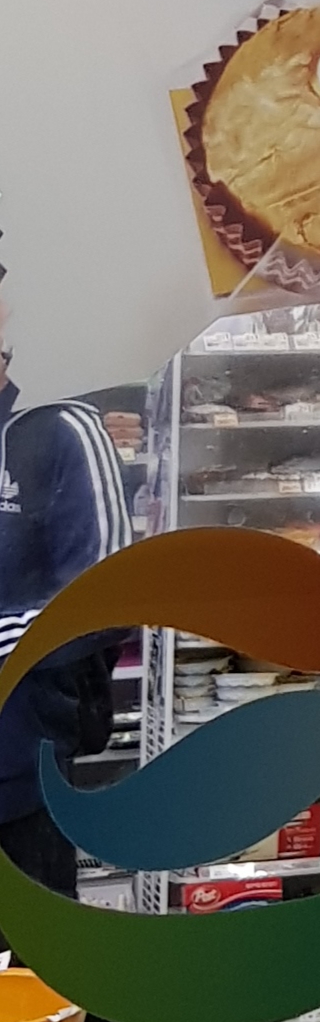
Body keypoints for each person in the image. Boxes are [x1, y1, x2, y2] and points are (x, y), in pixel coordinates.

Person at [0, 270, 132, 926]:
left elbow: (109, 593)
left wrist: (7, 638)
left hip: (20, 771)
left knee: (32, 966)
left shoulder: (58, 429)